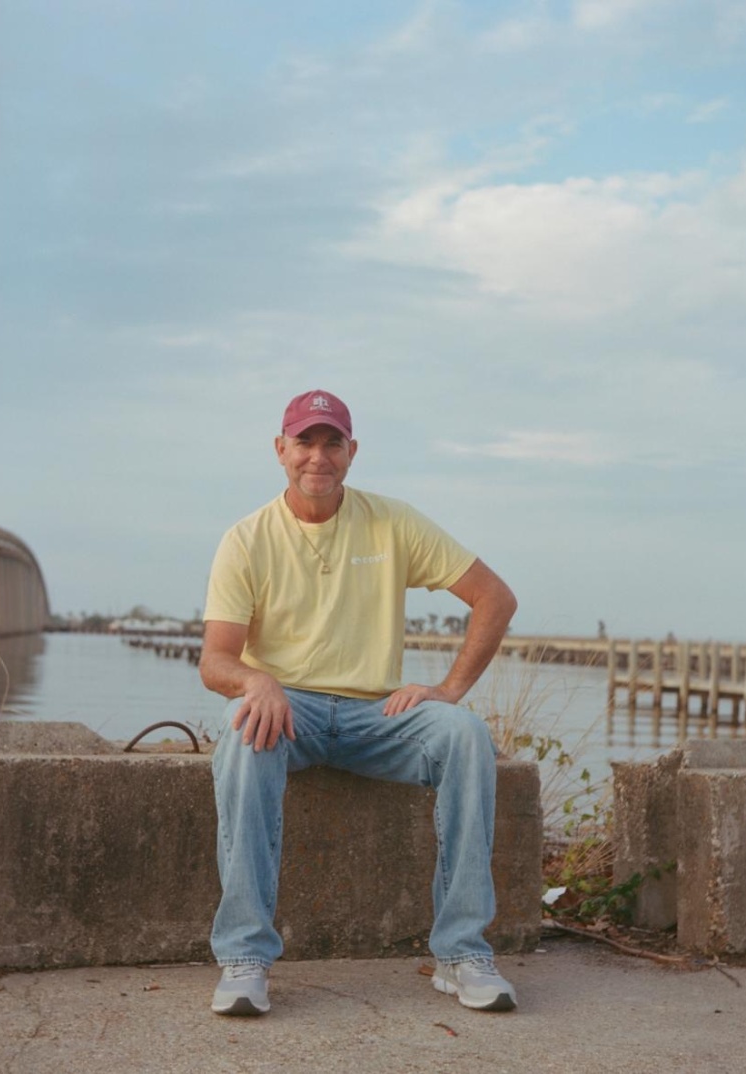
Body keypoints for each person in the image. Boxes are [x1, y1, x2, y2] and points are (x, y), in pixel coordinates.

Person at [199, 389, 519, 1017]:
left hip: (381, 716)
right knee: (241, 738)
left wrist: (448, 690)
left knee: (464, 736)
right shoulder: (246, 539)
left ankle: (460, 953)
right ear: (280, 450)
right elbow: (216, 660)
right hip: (289, 711)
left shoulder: (391, 521)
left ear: (352, 452)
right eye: (304, 442)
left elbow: (495, 597)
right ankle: (245, 957)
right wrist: (255, 682)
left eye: (332, 443)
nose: (317, 456)